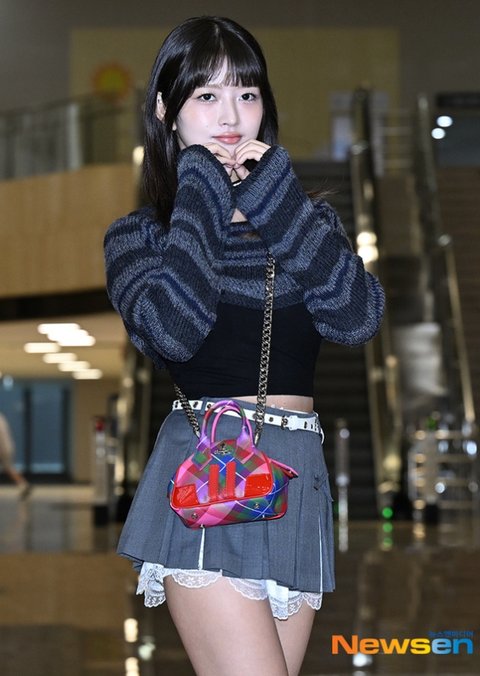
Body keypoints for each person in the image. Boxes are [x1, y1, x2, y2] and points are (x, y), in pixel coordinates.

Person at [104, 16, 384, 676]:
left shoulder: (305, 220)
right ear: (166, 111)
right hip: (210, 473)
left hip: (296, 476)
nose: (232, 115)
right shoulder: (139, 236)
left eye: (247, 93)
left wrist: (276, 201)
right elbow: (174, 331)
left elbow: (357, 318)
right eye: (207, 95)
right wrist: (201, 187)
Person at [0, 412, 30, 498]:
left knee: (9, 468)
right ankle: (23, 485)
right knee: (9, 468)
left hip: (3, 448)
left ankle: (23, 485)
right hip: (7, 447)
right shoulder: (1, 418)